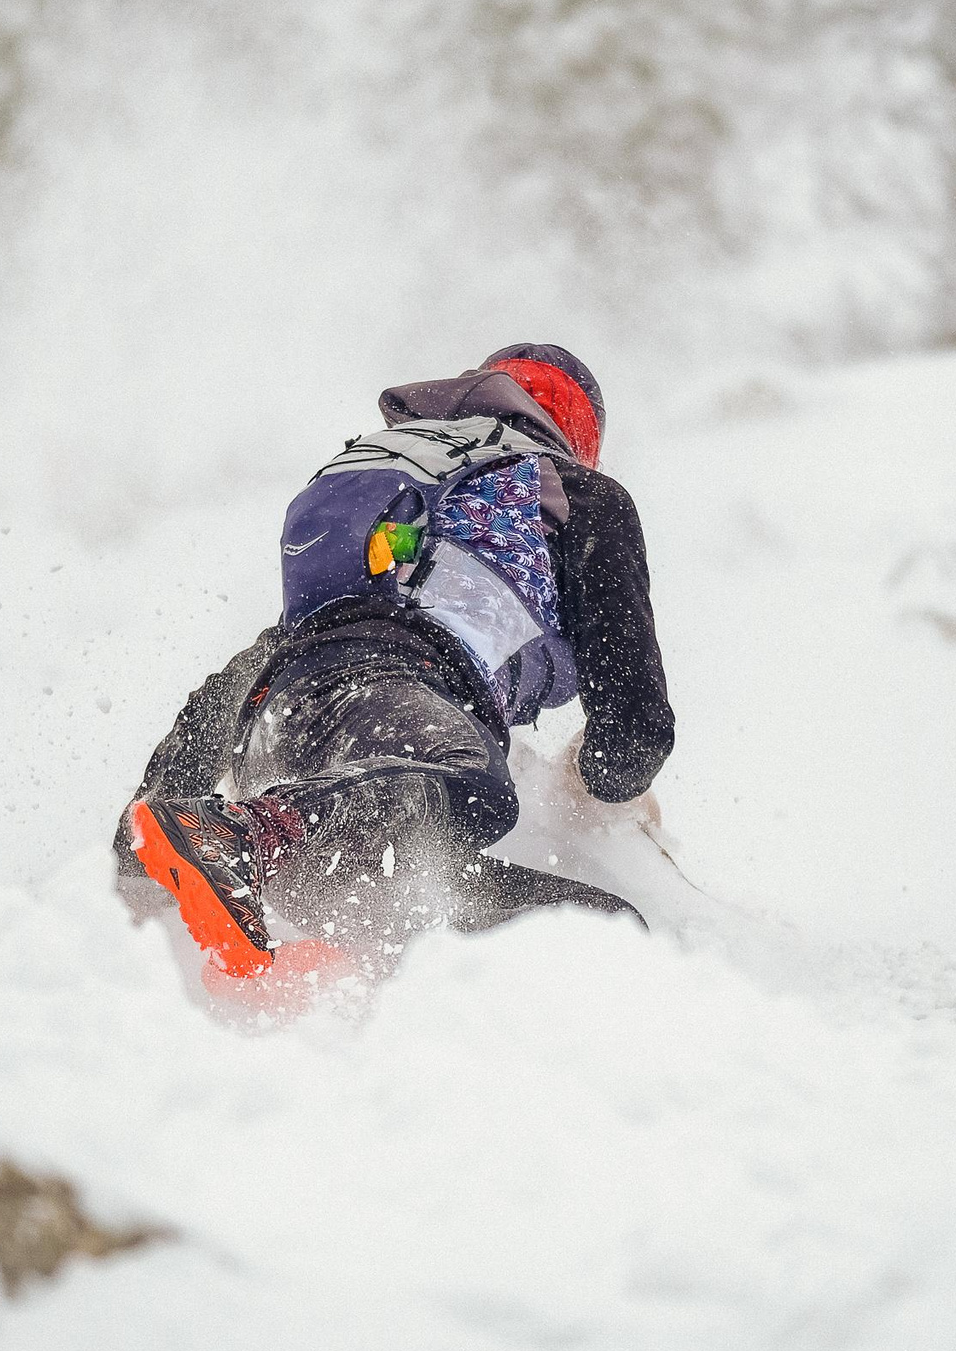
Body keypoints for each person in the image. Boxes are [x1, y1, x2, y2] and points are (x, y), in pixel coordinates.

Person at [121, 343, 673, 981]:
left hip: (289, 735)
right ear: (579, 436)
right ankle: (249, 833)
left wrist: (131, 871)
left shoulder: (406, 486)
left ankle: (335, 995)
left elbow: (238, 687)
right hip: (397, 738)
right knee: (470, 782)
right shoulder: (578, 497)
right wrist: (596, 781)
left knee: (600, 931)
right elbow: (634, 736)